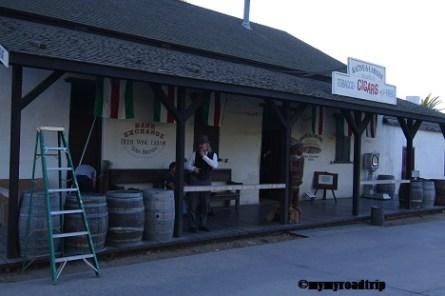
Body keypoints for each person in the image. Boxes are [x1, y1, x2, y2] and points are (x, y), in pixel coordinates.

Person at [185, 135, 218, 232]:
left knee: (205, 204)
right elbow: (187, 165)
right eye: (200, 144)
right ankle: (192, 226)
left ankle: (203, 224)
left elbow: (214, 165)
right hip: (195, 180)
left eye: (203, 144)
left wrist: (204, 156)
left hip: (206, 181)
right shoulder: (194, 154)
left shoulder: (213, 154)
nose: (201, 146)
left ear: (207, 144)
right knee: (193, 204)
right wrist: (194, 169)